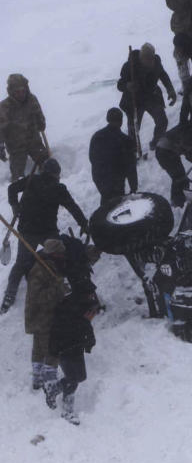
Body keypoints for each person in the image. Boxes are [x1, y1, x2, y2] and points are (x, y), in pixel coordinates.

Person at [2, 159, 87, 314]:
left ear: (43, 171)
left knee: (21, 263)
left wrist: (15, 206)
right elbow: (73, 207)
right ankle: (65, 284)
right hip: (47, 232)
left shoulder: (32, 180)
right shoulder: (59, 188)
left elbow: (12, 189)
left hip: (28, 230)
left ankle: (9, 295)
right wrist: (84, 224)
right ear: (56, 175)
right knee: (61, 257)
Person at [48, 246, 101, 425]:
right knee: (75, 376)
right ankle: (65, 407)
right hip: (66, 337)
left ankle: (56, 391)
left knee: (78, 376)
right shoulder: (74, 280)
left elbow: (84, 317)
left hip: (73, 336)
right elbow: (80, 316)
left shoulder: (77, 275)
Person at [23, 239, 68, 407]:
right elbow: (38, 298)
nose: (62, 256)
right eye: (60, 254)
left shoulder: (50, 266)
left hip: (42, 316)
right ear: (54, 254)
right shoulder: (39, 270)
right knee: (50, 348)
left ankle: (38, 380)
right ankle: (49, 384)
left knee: (39, 348)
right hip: (42, 316)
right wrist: (58, 289)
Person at [117, 43, 178, 150]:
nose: (150, 62)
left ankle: (156, 143)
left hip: (151, 97)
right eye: (147, 59)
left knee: (162, 121)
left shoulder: (156, 63)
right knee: (134, 128)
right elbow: (120, 84)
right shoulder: (129, 66)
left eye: (151, 59)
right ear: (141, 57)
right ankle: (133, 150)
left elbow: (163, 75)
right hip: (134, 100)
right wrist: (128, 86)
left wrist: (170, 90)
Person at [0, 74, 48, 182]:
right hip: (16, 147)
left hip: (34, 142)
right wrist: (0, 145)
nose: (21, 94)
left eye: (23, 91)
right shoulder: (4, 107)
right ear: (11, 92)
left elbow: (40, 117)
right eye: (17, 92)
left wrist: (41, 123)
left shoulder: (32, 100)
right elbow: (1, 128)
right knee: (17, 177)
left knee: (47, 166)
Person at [88, 108, 138, 204]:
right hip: (116, 180)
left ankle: (102, 215)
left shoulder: (97, 136)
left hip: (99, 177)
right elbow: (131, 167)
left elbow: (92, 158)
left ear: (107, 119)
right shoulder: (126, 140)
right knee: (116, 204)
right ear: (121, 121)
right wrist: (133, 187)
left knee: (106, 199)